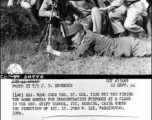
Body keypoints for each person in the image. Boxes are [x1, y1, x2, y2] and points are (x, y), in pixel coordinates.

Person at [46, 23, 151, 59]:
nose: (72, 39)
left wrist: (53, 52)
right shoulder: (87, 36)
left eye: (74, 35)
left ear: (82, 32)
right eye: (71, 37)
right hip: (126, 43)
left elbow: (75, 55)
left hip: (129, 46)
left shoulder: (88, 38)